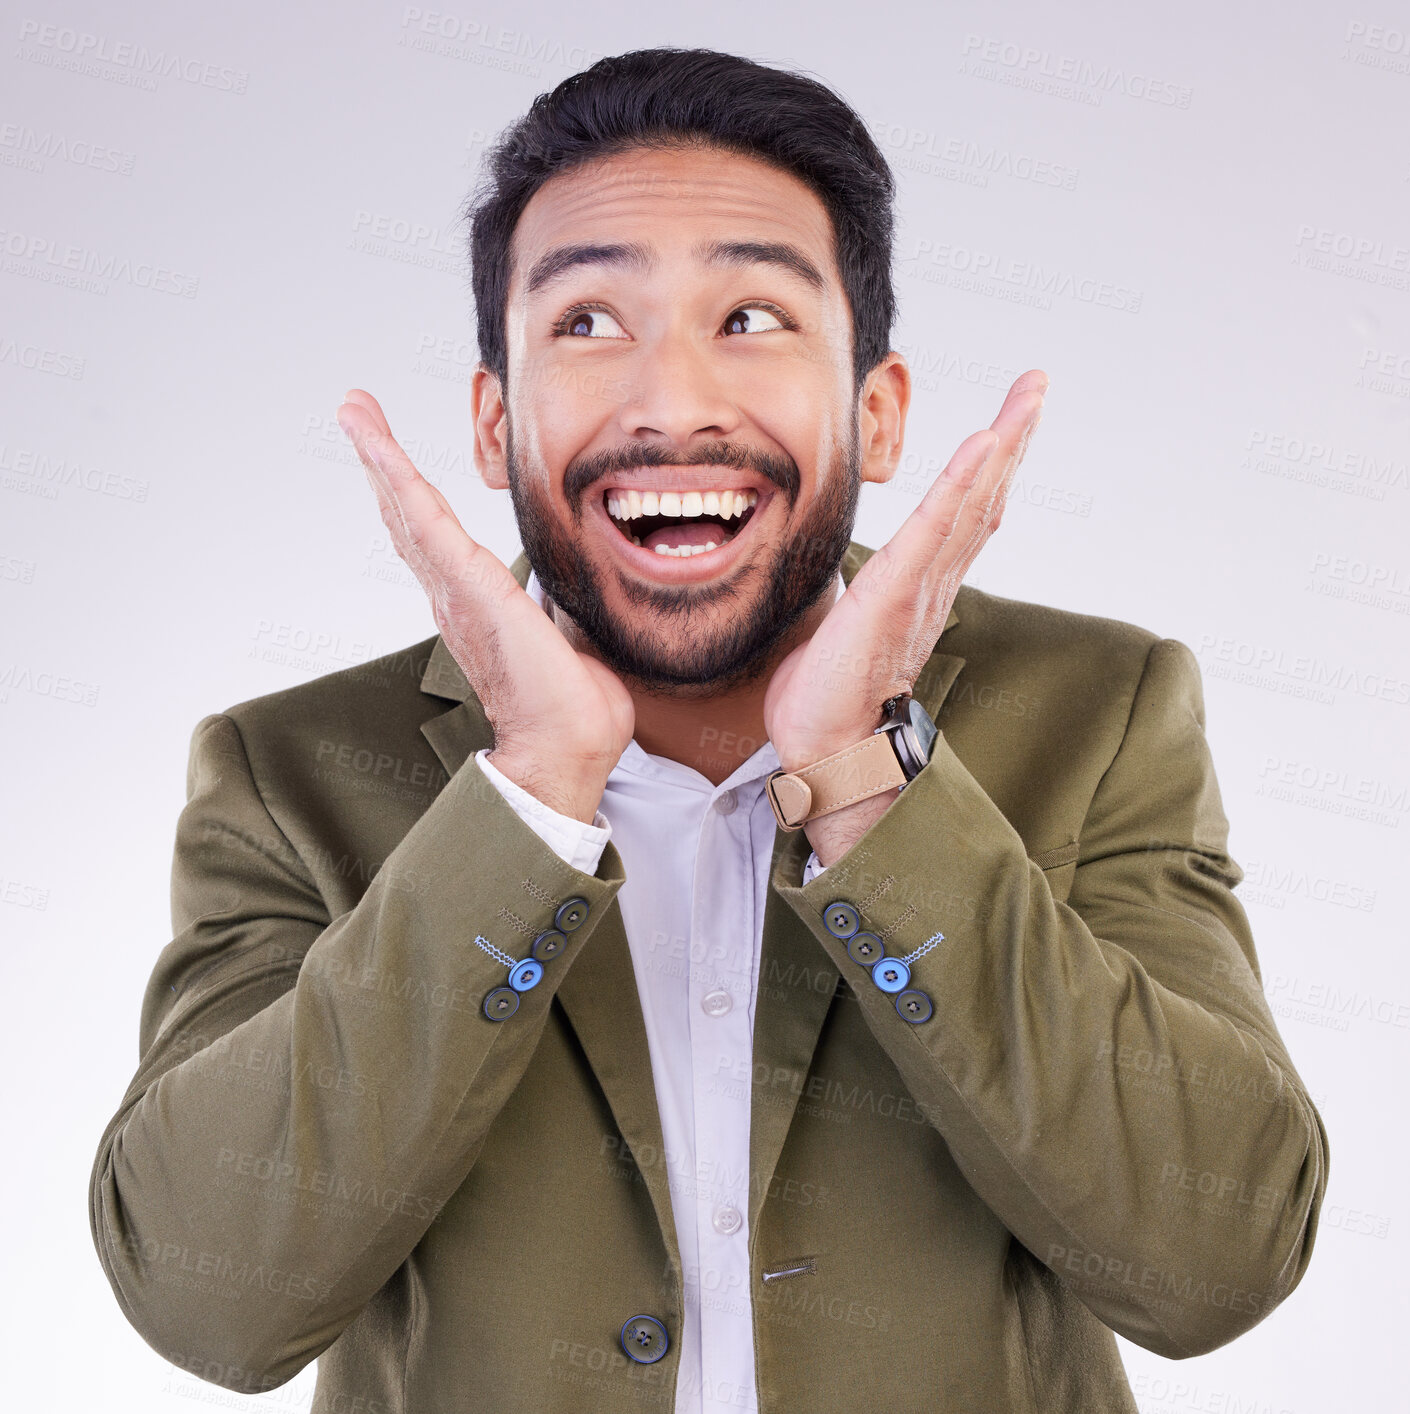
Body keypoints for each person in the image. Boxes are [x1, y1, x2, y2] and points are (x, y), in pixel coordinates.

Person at [89, 47, 1328, 1414]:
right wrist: (531, 801)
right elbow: (208, 1297)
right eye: (587, 323)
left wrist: (869, 782)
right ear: (495, 423)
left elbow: (1217, 1260)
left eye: (749, 317)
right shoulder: (296, 771)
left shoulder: (1096, 712)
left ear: (876, 410)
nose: (672, 402)